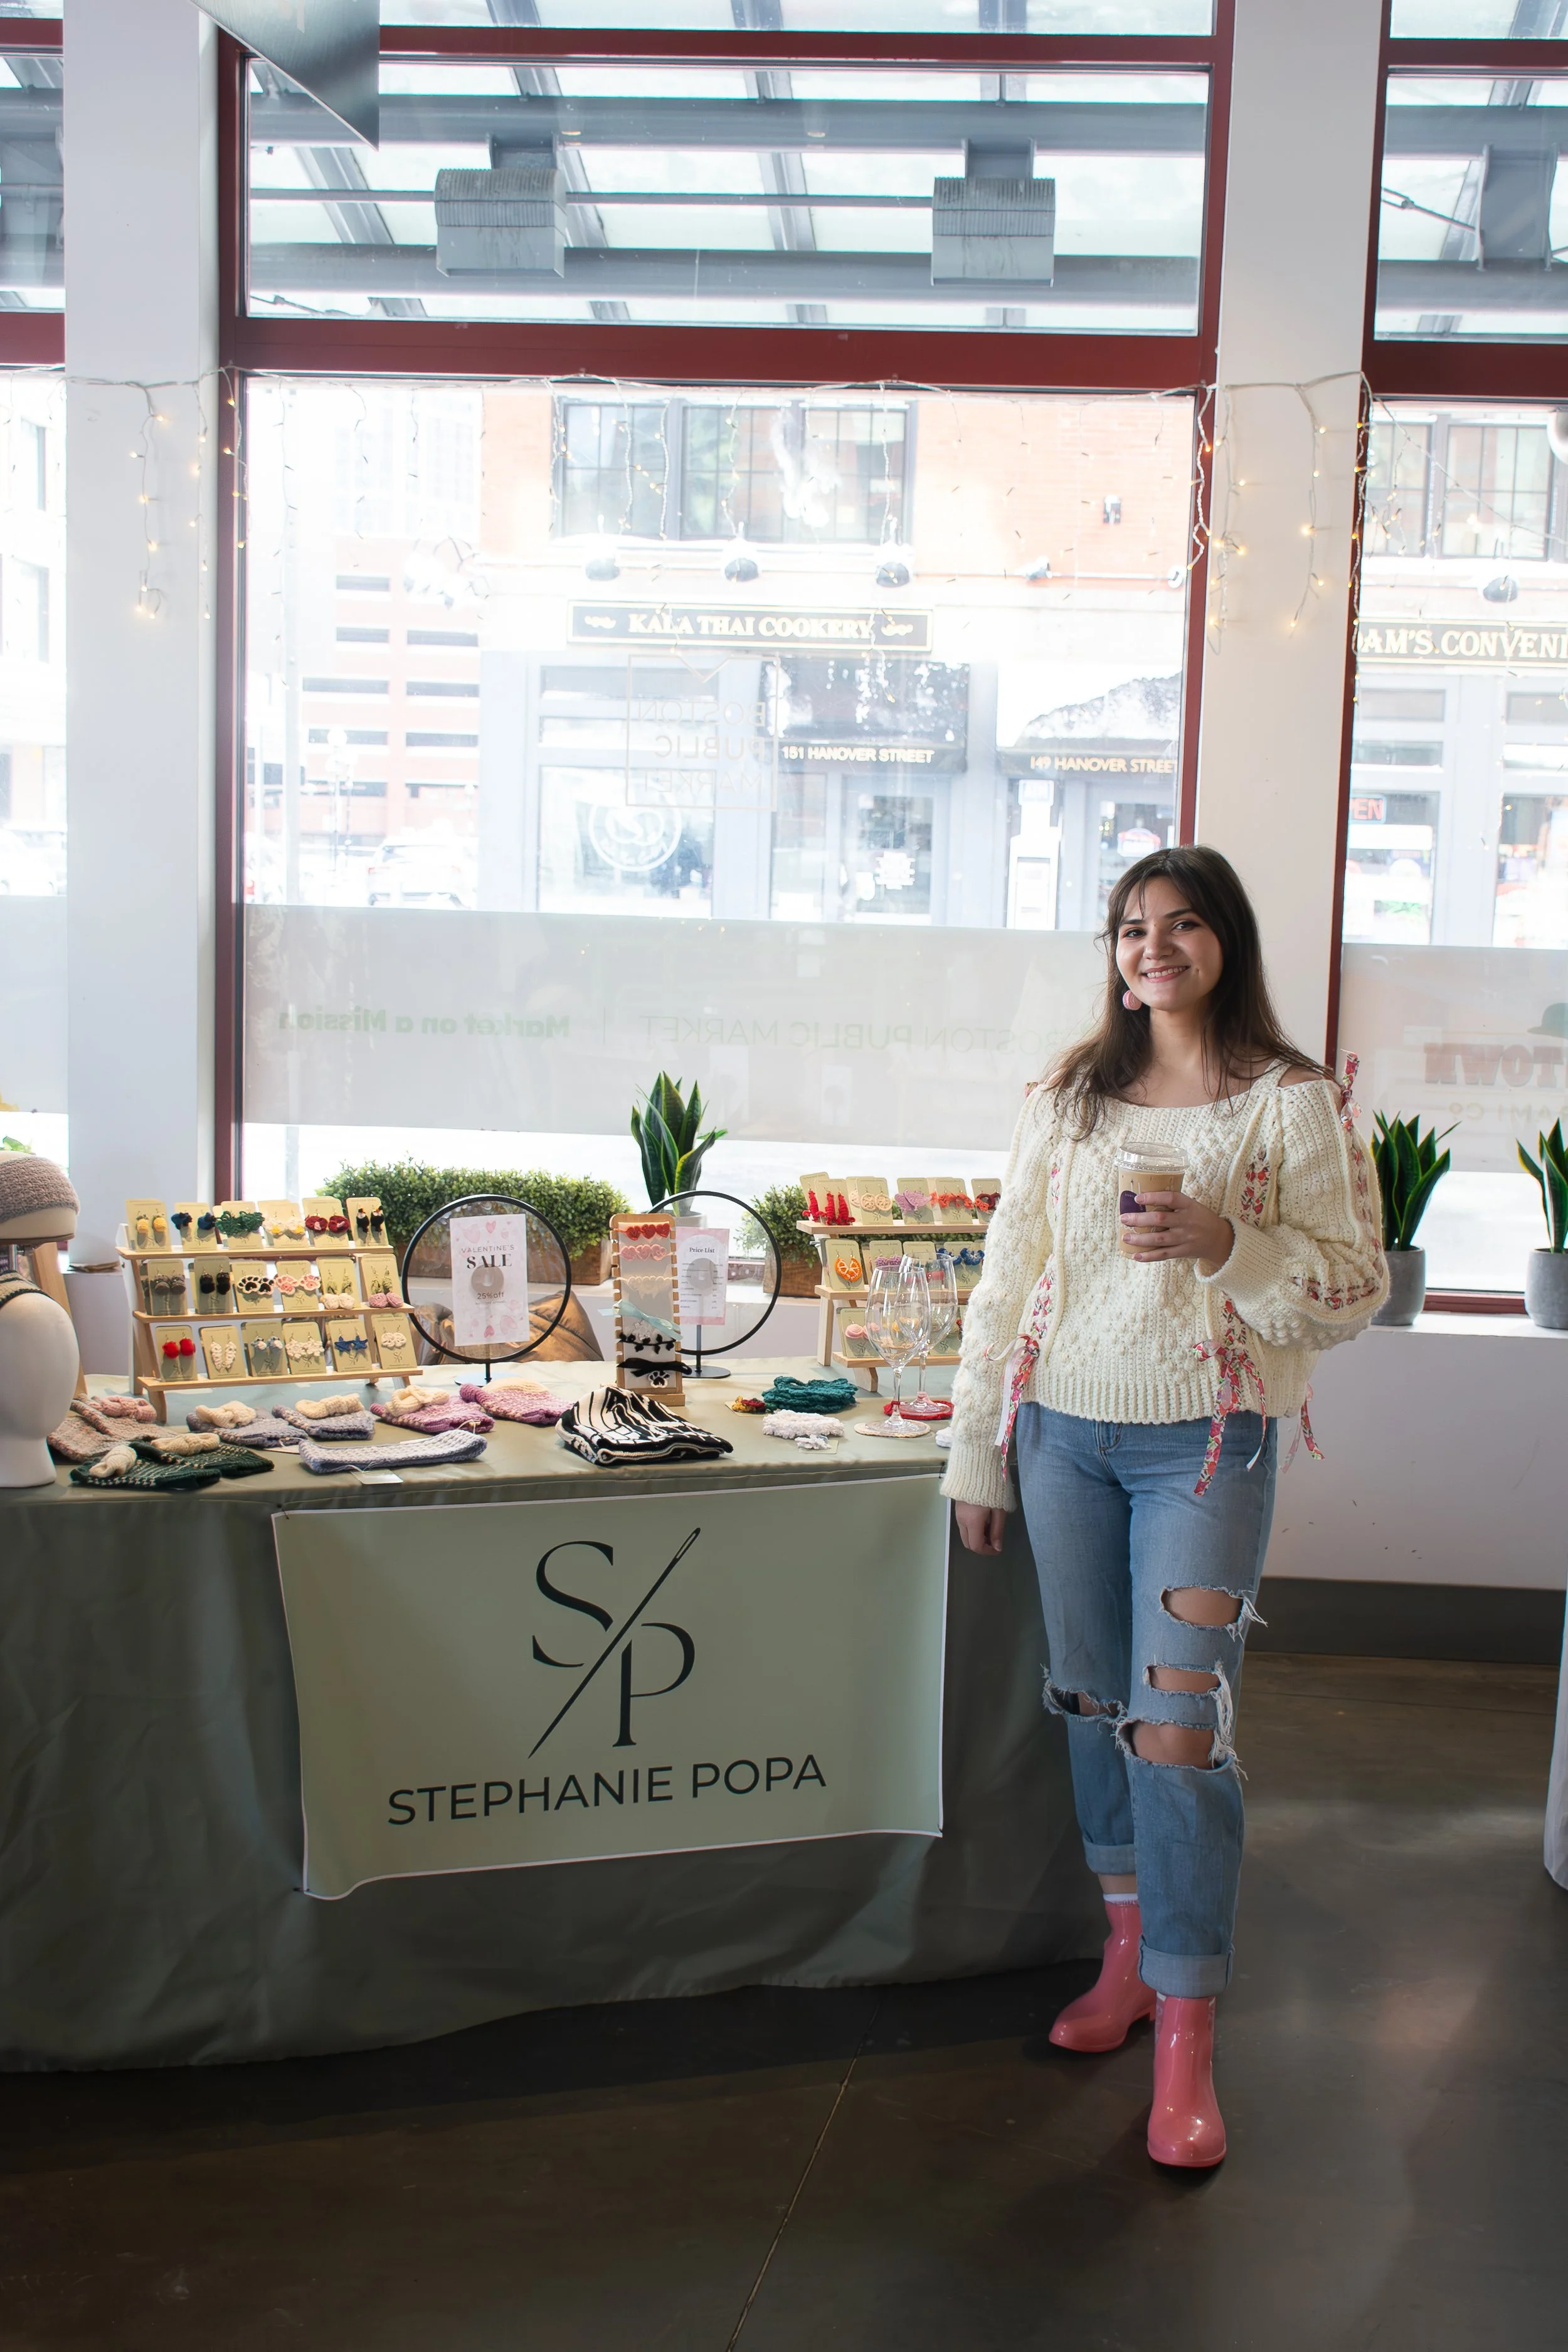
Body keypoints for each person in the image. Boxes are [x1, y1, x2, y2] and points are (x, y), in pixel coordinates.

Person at [943, 845, 1387, 2169]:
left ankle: (1188, 2039)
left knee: (1176, 1730)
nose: (1153, 946)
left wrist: (1227, 1246)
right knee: (1088, 1700)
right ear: (1115, 955)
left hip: (1207, 1442)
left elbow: (1352, 1289)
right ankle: (1125, 1960)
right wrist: (980, 1448)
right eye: (1132, 927)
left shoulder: (1290, 1104)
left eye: (1181, 924)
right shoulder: (1068, 1100)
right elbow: (1004, 1274)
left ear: (1224, 943)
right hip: (1063, 1437)